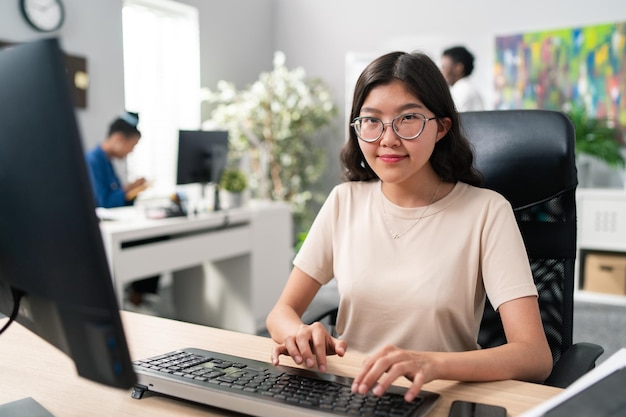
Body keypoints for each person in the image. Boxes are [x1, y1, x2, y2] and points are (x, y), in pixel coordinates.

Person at [265, 51, 552, 403]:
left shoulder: (487, 212)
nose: (388, 139)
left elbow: (534, 356)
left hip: (436, 397)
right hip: (349, 396)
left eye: (408, 119)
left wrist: (431, 363)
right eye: (372, 121)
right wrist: (297, 333)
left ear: (442, 127)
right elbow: (281, 313)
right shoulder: (345, 201)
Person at [85, 111, 157, 308]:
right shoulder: (93, 160)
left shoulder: (106, 161)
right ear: (118, 138)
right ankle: (137, 298)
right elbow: (103, 202)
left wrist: (132, 189)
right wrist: (128, 192)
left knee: (157, 236)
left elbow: (114, 195)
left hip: (115, 224)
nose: (130, 152)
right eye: (131, 146)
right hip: (101, 230)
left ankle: (139, 296)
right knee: (152, 240)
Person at [440, 46, 484, 112]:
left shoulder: (462, 90)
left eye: (444, 67)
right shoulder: (463, 88)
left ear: (458, 68)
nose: (441, 72)